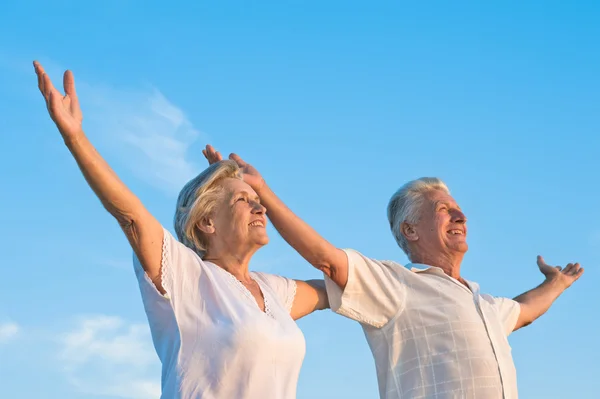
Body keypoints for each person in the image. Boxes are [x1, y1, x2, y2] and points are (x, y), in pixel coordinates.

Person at [33, 61, 328, 399]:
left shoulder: (274, 291)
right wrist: (75, 137)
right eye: (242, 202)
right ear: (207, 222)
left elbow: (340, 284)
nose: (260, 208)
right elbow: (130, 215)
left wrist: (261, 189)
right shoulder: (186, 275)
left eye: (257, 200)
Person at [204, 146, 584, 399]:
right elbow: (326, 258)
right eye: (443, 210)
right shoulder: (396, 285)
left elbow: (525, 309)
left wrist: (557, 283)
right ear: (410, 230)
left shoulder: (483, 304)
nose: (460, 216)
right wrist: (263, 191)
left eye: (459, 210)